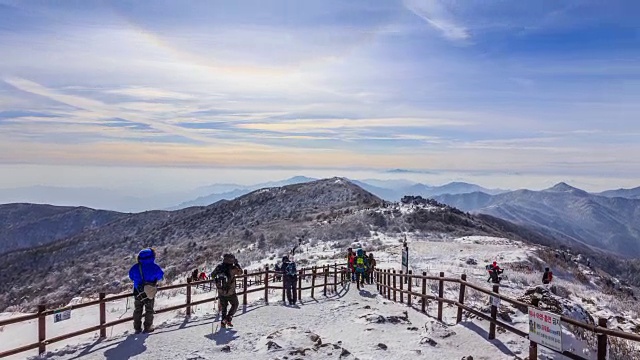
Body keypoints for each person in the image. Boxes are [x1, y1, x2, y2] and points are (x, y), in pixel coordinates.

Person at [128, 248, 164, 334]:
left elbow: (131, 277)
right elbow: (160, 277)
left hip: (138, 291)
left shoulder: (135, 267)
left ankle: (137, 328)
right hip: (149, 291)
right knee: (149, 309)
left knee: (138, 309)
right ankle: (148, 327)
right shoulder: (155, 267)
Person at [212, 254, 243, 328]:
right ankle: (228, 318)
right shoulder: (233, 268)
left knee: (224, 307)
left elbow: (212, 275)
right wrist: (237, 264)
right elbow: (241, 272)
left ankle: (223, 322)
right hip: (230, 292)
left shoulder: (219, 267)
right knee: (235, 304)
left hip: (221, 291)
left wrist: (217, 280)